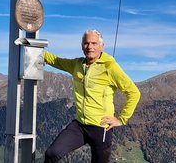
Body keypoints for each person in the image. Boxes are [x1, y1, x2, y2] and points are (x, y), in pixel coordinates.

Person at [43, 29, 140, 163]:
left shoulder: (110, 67)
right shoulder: (76, 64)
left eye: (94, 43)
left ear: (102, 46)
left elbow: (133, 92)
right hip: (79, 125)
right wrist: (35, 51)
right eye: (86, 43)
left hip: (101, 128)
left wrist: (121, 119)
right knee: (51, 154)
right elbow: (56, 61)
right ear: (82, 46)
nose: (90, 47)